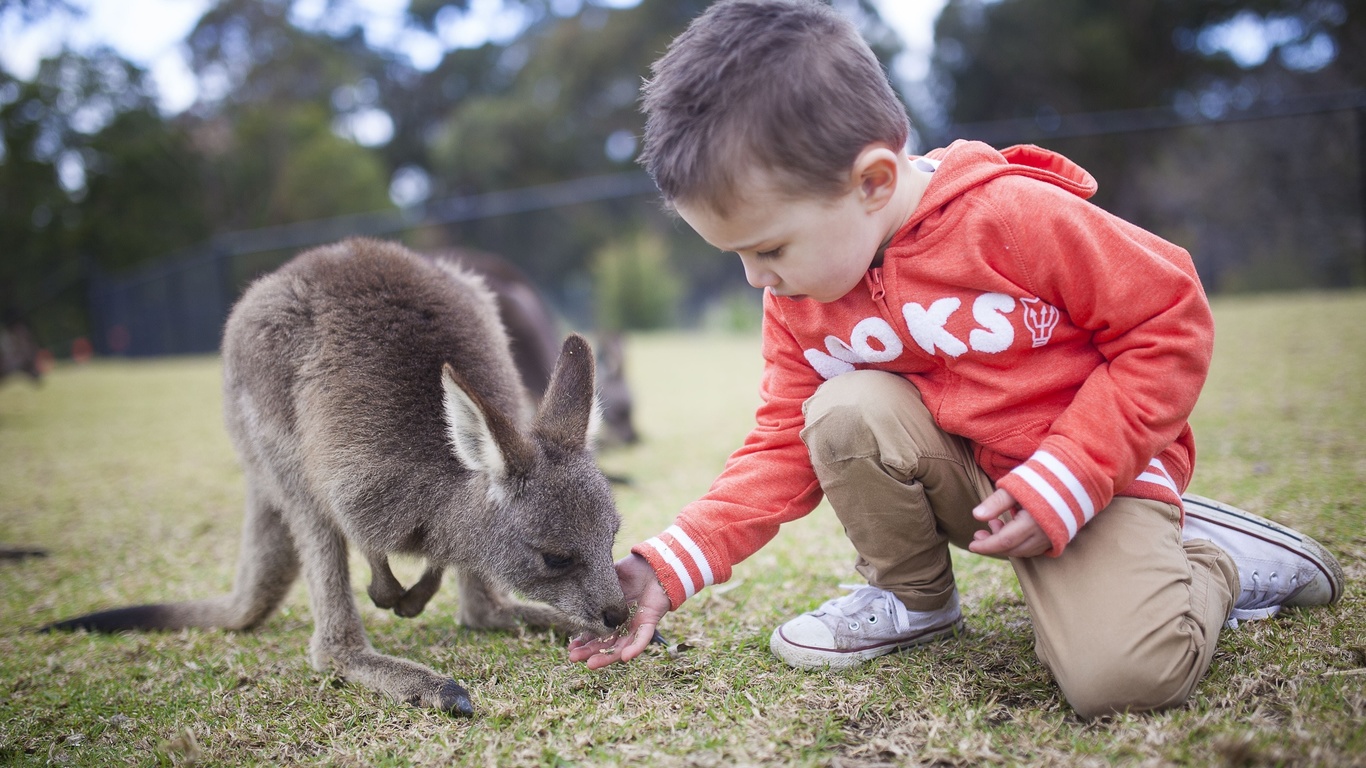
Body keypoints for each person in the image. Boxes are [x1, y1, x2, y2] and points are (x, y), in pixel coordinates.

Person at [568, 0, 1344, 717]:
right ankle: (915, 601)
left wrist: (1072, 473)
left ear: (873, 180)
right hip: (970, 488)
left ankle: (1213, 562)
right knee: (840, 410)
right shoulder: (798, 297)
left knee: (1123, 681)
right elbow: (780, 442)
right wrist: (667, 566)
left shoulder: (1013, 217)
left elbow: (1168, 318)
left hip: (1093, 479)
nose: (756, 278)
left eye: (769, 247)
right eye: (737, 255)